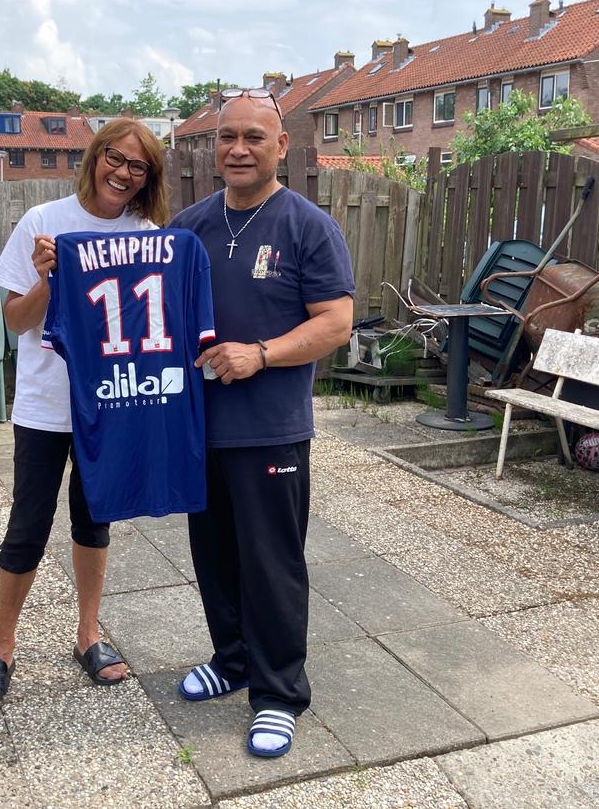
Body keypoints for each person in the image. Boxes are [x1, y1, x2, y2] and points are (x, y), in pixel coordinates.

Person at [172, 89, 354, 757]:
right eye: (226, 137)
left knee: (272, 564)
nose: (238, 149)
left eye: (254, 136)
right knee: (214, 557)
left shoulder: (307, 226)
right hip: (200, 428)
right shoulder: (189, 226)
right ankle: (231, 660)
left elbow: (335, 323)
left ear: (282, 146)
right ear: (211, 147)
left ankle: (279, 693)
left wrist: (263, 354)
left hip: (271, 429)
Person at [0, 119, 169, 705]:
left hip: (110, 404)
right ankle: (3, 646)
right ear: (95, 156)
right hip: (46, 405)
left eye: (138, 166)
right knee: (27, 524)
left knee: (93, 518)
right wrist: (52, 281)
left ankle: (88, 635)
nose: (124, 173)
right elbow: (13, 321)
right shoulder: (43, 222)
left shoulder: (147, 235)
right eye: (116, 158)